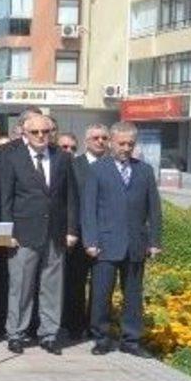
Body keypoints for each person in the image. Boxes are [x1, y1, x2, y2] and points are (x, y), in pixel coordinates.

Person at [0, 112, 78, 355]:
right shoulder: (12, 157)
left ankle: (49, 334)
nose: (41, 136)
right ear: (25, 133)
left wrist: (71, 229)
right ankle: (16, 333)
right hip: (23, 233)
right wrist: (7, 231)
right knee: (21, 286)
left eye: (46, 131)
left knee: (52, 286)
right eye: (35, 132)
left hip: (55, 232)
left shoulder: (62, 157)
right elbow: (5, 197)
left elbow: (71, 197)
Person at [82, 122, 162, 358]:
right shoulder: (97, 169)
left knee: (133, 296)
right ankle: (101, 338)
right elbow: (89, 208)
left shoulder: (144, 170)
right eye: (121, 143)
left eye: (130, 144)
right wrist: (90, 241)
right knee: (101, 295)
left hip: (136, 244)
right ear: (111, 142)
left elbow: (154, 210)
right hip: (105, 244)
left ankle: (131, 340)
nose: (126, 148)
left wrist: (155, 241)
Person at [64, 123, 108, 340]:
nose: (100, 141)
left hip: (106, 234)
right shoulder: (74, 165)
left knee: (102, 285)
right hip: (79, 234)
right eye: (95, 138)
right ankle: (75, 326)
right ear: (86, 141)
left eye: (104, 138)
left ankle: (96, 326)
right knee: (76, 282)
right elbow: (68, 200)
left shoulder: (112, 165)